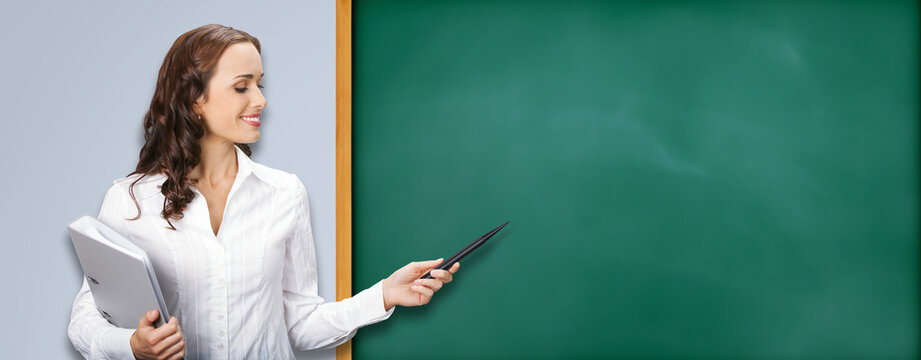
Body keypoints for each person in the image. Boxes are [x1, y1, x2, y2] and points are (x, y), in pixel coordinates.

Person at [67, 24, 459, 360]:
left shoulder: (284, 193)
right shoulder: (131, 200)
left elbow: (300, 324)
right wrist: (133, 345)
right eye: (241, 87)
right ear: (194, 99)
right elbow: (85, 322)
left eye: (259, 84)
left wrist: (384, 295)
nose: (260, 99)